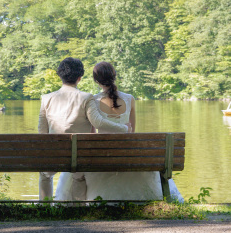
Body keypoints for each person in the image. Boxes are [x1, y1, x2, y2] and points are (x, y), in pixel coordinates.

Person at [57, 61, 184, 202]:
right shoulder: (130, 99)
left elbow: (91, 135)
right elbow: (132, 133)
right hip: (126, 154)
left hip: (102, 156)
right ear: (114, 76)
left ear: (96, 81)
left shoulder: (93, 100)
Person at [39, 57, 131, 200]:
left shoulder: (46, 98)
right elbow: (99, 123)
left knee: (45, 174)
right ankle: (79, 209)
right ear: (79, 78)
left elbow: (42, 132)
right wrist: (124, 128)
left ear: (60, 76)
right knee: (78, 176)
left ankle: (45, 206)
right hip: (78, 155)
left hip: (55, 154)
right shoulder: (86, 97)